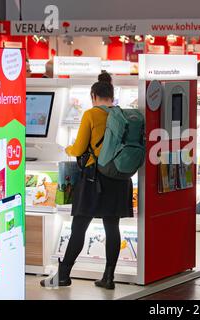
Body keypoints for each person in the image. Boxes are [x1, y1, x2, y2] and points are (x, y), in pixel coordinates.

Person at [40, 73, 133, 290]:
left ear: (93, 96)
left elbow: (80, 148)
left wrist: (68, 148)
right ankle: (108, 277)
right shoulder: (124, 115)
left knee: (79, 226)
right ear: (112, 95)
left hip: (94, 179)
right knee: (112, 227)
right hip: (119, 178)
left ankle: (63, 275)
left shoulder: (91, 114)